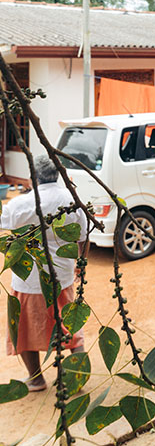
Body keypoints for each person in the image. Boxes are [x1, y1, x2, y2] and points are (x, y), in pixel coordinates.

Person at [2, 155, 89, 391]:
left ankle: (36, 378)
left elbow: (4, 221)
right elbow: (83, 236)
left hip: (29, 279)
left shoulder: (21, 205)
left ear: (33, 176)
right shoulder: (72, 200)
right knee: (69, 327)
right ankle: (73, 381)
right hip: (62, 276)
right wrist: (80, 263)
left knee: (25, 329)